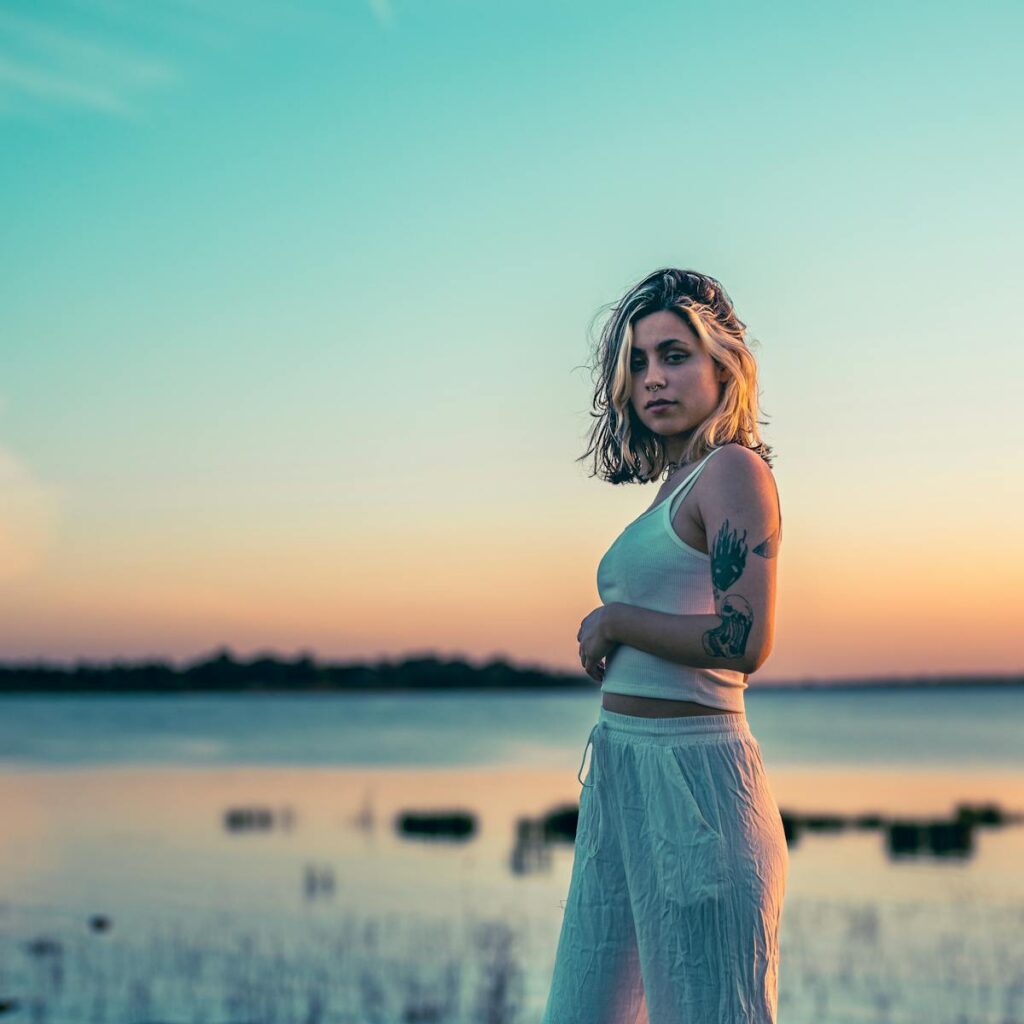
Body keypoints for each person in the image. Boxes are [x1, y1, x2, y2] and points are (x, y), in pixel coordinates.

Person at [540, 268, 789, 1023]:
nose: (654, 378)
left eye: (675, 355)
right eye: (640, 362)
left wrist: (615, 623)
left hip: (698, 789)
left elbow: (744, 640)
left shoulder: (733, 471)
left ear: (724, 367)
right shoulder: (675, 484)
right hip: (623, 775)